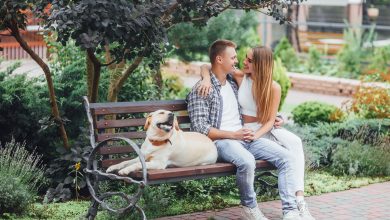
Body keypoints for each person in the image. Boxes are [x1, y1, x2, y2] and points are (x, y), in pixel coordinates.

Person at [187, 39, 303, 220]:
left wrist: (274, 117)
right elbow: (201, 129)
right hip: (223, 141)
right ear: (219, 59)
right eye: (233, 58)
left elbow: (254, 103)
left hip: (246, 138)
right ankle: (250, 208)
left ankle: (290, 211)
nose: (237, 61)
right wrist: (234, 134)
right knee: (248, 161)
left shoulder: (234, 83)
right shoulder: (203, 89)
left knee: (287, 158)